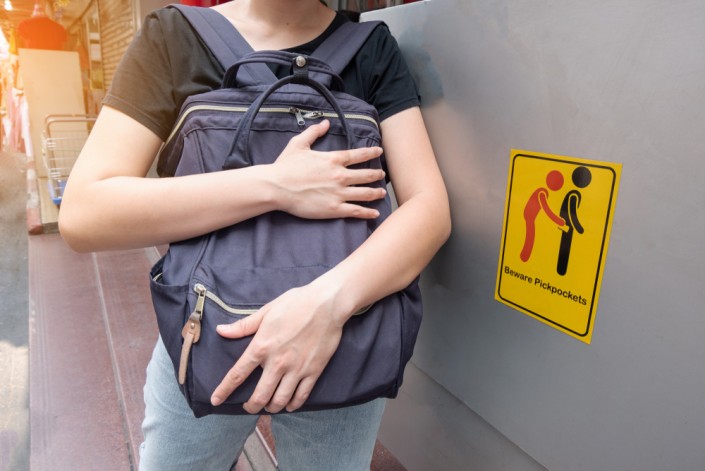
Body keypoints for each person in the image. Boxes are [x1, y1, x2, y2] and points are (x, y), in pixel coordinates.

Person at [59, 1, 450, 469]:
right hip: (206, 335)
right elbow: (85, 212)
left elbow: (430, 209)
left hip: (339, 327)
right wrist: (276, 185)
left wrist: (326, 305)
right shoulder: (176, 35)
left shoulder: (372, 48)